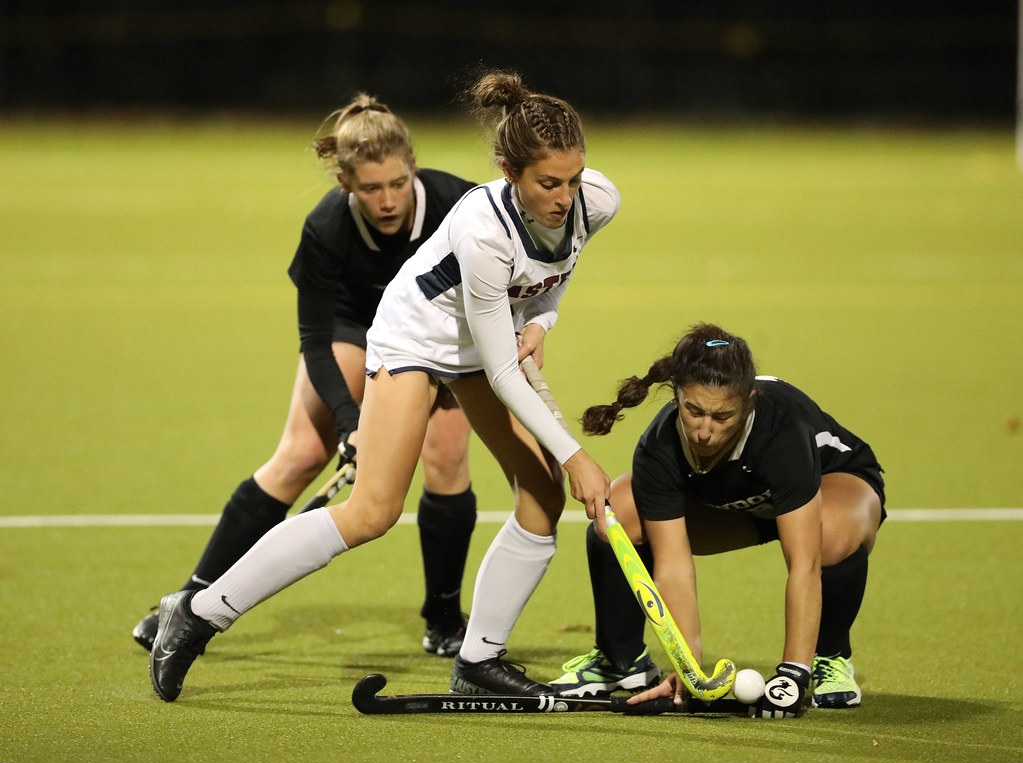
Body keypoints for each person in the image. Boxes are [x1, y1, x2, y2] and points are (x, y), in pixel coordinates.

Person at [148, 70, 619, 703]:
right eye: (547, 183)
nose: (564, 198)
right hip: (416, 335)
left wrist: (543, 320)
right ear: (509, 172)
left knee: (541, 492)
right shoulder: (483, 231)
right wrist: (579, 455)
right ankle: (199, 613)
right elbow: (501, 371)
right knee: (373, 511)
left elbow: (557, 268)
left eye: (571, 179)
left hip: (488, 337)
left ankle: (479, 658)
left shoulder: (598, 200)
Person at [133, 94, 479, 660]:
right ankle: (190, 600)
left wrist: (447, 364)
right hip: (356, 324)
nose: (388, 200)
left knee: (446, 455)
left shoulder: (457, 204)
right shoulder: (326, 227)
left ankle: (443, 617)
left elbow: (494, 292)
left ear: (413, 167)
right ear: (346, 182)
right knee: (298, 454)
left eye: (396, 183)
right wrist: (351, 426)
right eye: (370, 189)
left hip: (440, 333)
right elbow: (317, 341)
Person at [548, 323, 885, 718]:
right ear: (676, 396)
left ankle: (829, 657)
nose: (704, 431)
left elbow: (804, 564)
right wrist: (687, 667)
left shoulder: (782, 432)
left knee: (830, 534)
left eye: (723, 416)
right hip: (738, 506)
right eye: (693, 411)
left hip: (831, 488)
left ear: (749, 402)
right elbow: (672, 565)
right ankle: (621, 661)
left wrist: (793, 675)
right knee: (619, 511)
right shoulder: (660, 446)